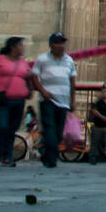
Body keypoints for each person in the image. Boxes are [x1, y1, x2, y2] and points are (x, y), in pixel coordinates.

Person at [30, 32, 76, 169]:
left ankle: (46, 153)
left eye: (62, 42)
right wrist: (43, 92)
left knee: (58, 133)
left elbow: (72, 81)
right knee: (50, 128)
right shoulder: (42, 59)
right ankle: (52, 159)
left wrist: (72, 101)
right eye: (58, 43)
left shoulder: (69, 60)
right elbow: (34, 77)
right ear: (51, 45)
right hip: (47, 100)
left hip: (63, 101)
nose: (61, 45)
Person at [0, 36, 32, 167]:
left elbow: (29, 77)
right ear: (13, 47)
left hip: (19, 100)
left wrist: (30, 89)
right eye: (20, 45)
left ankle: (7, 156)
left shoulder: (23, 63)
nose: (23, 48)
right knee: (2, 126)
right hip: (2, 99)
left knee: (12, 129)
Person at [87, 85, 106, 165]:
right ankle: (93, 158)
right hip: (98, 126)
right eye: (103, 92)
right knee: (95, 143)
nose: (104, 94)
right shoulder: (97, 102)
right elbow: (94, 111)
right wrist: (102, 117)